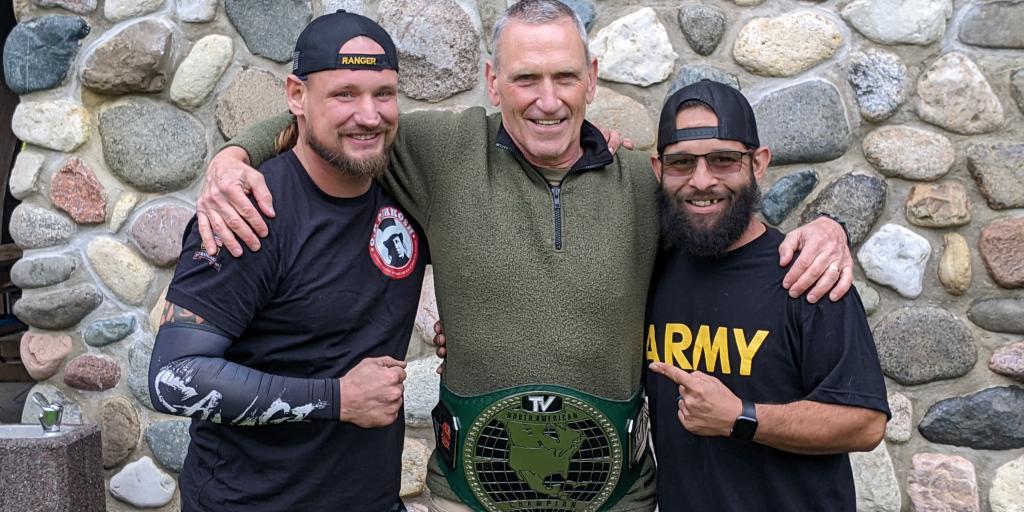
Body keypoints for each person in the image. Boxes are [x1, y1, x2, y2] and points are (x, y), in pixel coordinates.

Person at [193, 2, 854, 510]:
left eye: (565, 77)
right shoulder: (437, 152)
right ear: (492, 81)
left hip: (617, 499)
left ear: (591, 80)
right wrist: (235, 156)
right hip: (466, 494)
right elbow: (338, 124)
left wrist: (824, 230)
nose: (547, 99)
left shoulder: (643, 180)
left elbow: (721, 212)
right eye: (526, 78)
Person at [147, 11, 426, 511]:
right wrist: (338, 399)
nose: (369, 115)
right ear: (296, 96)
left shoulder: (406, 190)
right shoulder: (246, 211)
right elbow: (175, 378)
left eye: (383, 93)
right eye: (344, 94)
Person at [645, 80, 890, 511]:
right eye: (682, 162)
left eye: (724, 160)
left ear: (758, 164)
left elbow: (865, 425)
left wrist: (742, 416)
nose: (702, 180)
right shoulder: (652, 267)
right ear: (657, 169)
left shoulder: (807, 273)